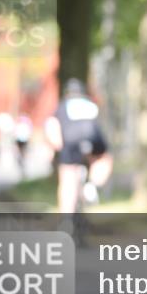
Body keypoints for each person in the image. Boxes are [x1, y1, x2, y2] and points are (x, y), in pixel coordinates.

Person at [44, 78, 113, 213]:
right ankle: (93, 185)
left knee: (68, 177)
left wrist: (54, 148)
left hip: (69, 142)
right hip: (92, 139)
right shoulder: (91, 105)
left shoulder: (62, 106)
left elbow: (52, 125)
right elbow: (98, 125)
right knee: (104, 158)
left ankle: (66, 216)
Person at [14, 114, 33, 179]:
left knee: (22, 152)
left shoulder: (22, 124)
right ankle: (21, 157)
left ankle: (22, 158)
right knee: (21, 152)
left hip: (23, 139)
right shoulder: (23, 124)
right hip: (21, 139)